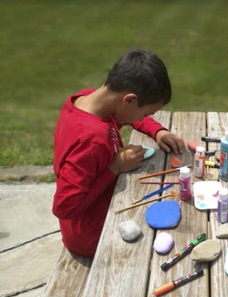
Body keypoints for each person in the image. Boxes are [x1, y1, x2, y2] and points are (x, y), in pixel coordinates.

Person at [52, 49, 184, 258]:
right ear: (129, 100)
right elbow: (65, 207)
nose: (144, 117)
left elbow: (129, 115)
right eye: (147, 113)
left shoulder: (88, 100)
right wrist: (115, 168)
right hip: (93, 234)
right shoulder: (92, 140)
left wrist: (157, 130)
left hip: (96, 215)